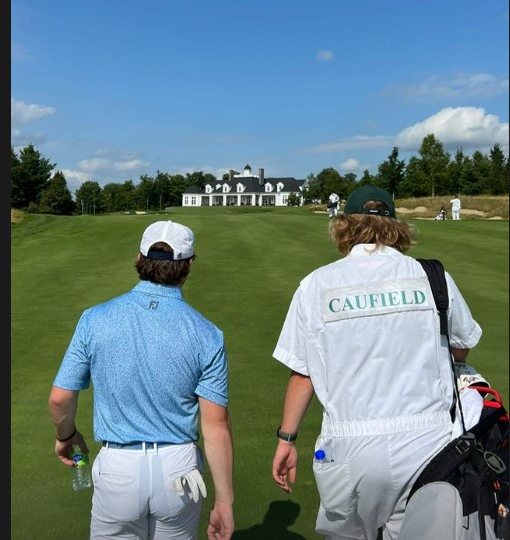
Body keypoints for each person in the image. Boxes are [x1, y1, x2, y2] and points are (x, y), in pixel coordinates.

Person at [269, 185, 482, 540]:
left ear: (344, 225)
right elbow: (460, 347)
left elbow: (303, 373)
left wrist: (286, 440)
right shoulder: (433, 277)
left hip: (350, 446)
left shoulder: (315, 284)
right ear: (395, 225)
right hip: (427, 442)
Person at [49, 220, 235, 540]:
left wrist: (66, 435)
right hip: (179, 471)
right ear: (188, 265)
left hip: (118, 468)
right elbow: (216, 426)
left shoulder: (94, 319)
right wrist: (224, 501)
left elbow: (60, 399)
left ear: (139, 258)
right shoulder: (207, 333)